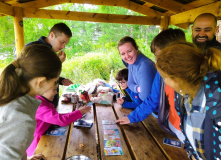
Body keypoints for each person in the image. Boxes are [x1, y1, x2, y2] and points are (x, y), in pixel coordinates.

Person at [156, 41, 221, 160]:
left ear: (178, 79)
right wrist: (192, 155)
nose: (164, 82)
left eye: (165, 77)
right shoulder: (183, 96)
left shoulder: (216, 105)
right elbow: (188, 135)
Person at [0, 44, 62, 159]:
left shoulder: (11, 95)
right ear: (41, 82)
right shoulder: (21, 118)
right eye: (54, 82)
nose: (55, 86)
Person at [116, 29, 186, 130]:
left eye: (159, 56)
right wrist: (132, 117)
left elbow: (145, 97)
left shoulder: (145, 65)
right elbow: (152, 99)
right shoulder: (160, 72)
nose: (156, 61)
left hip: (181, 125)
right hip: (171, 123)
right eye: (156, 56)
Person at [26, 85, 91, 157]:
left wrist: (77, 113)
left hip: (46, 136)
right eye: (54, 90)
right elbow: (61, 120)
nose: (56, 93)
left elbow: (57, 116)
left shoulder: (42, 102)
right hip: (38, 144)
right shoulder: (39, 106)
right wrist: (79, 112)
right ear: (43, 91)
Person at [26, 22, 73, 107]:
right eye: (62, 42)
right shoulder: (32, 48)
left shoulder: (52, 51)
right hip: (38, 105)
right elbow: (36, 76)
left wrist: (61, 80)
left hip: (51, 103)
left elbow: (50, 75)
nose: (63, 47)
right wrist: (58, 63)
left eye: (65, 44)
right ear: (52, 35)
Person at [117, 36, 157, 102]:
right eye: (123, 54)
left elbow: (144, 97)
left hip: (153, 108)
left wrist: (135, 88)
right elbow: (129, 84)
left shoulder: (145, 65)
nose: (127, 56)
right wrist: (138, 88)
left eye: (129, 51)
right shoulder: (131, 62)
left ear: (136, 48)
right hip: (145, 104)